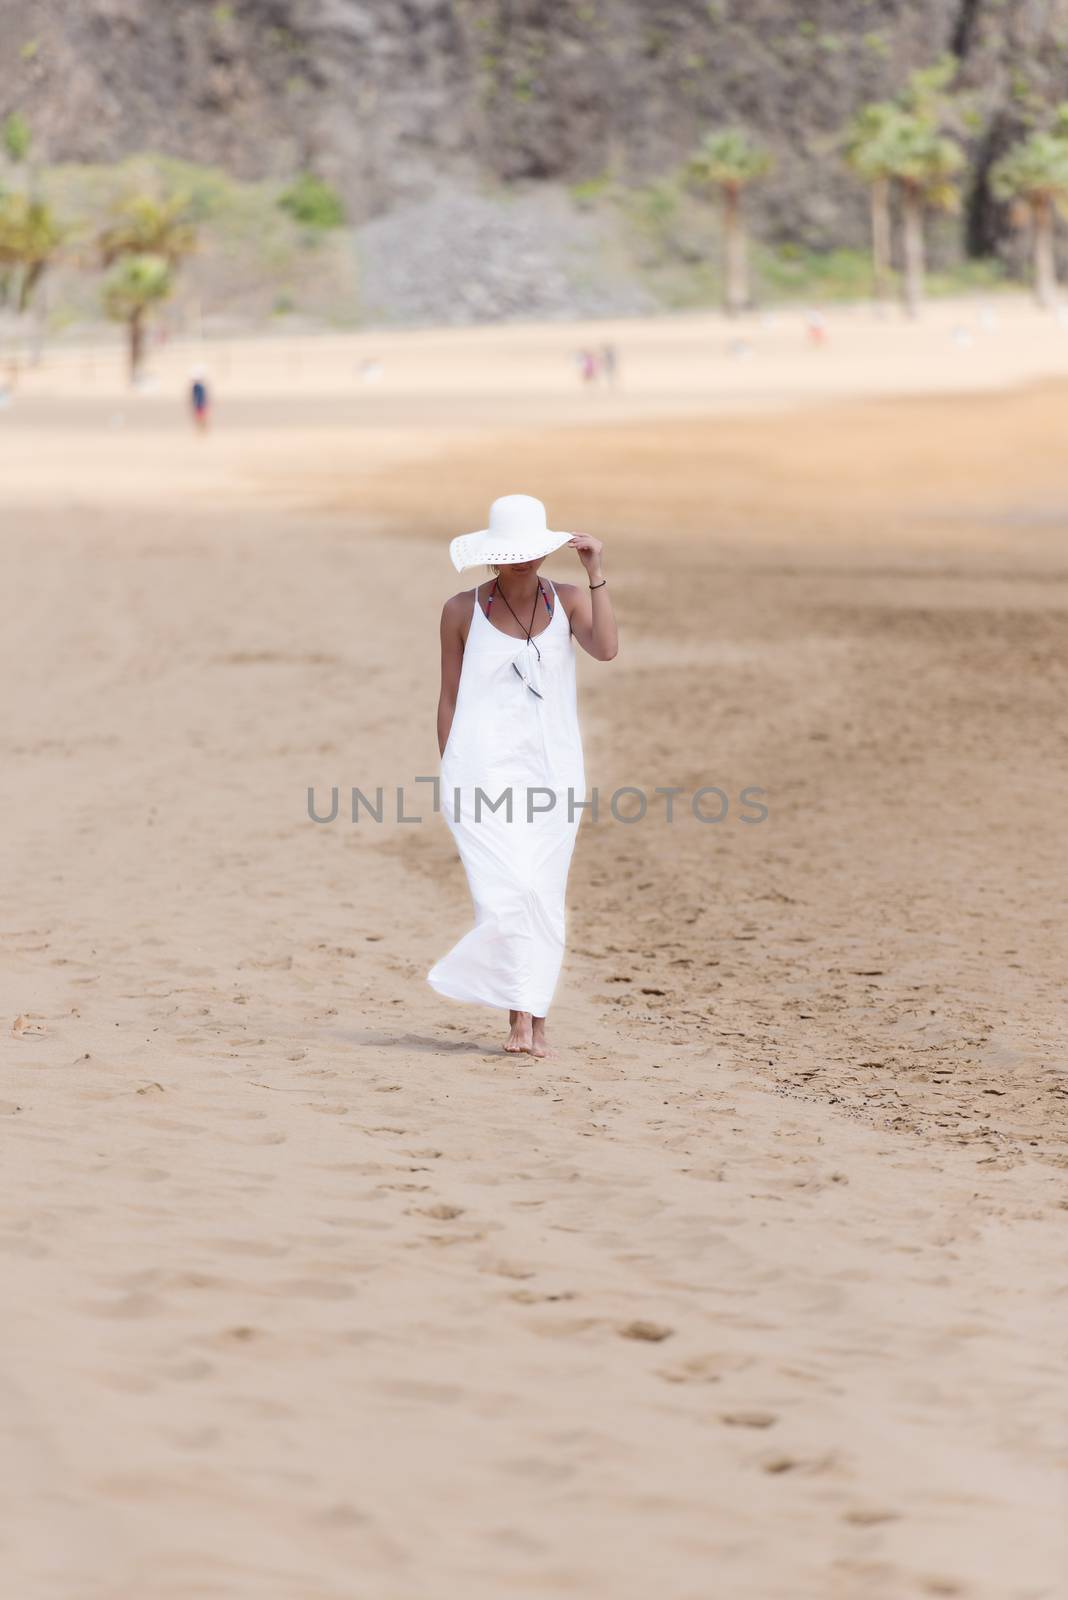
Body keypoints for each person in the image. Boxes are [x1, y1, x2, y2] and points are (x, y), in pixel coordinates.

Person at [429, 494, 618, 1058]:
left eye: (529, 552)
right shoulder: (462, 610)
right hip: (481, 772)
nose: (520, 561)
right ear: (492, 553)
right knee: (504, 894)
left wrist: (595, 573)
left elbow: (606, 649)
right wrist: (452, 772)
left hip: (553, 771)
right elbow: (448, 696)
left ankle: (535, 1018)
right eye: (509, 552)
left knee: (541, 892)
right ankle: (519, 1016)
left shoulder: (568, 599)